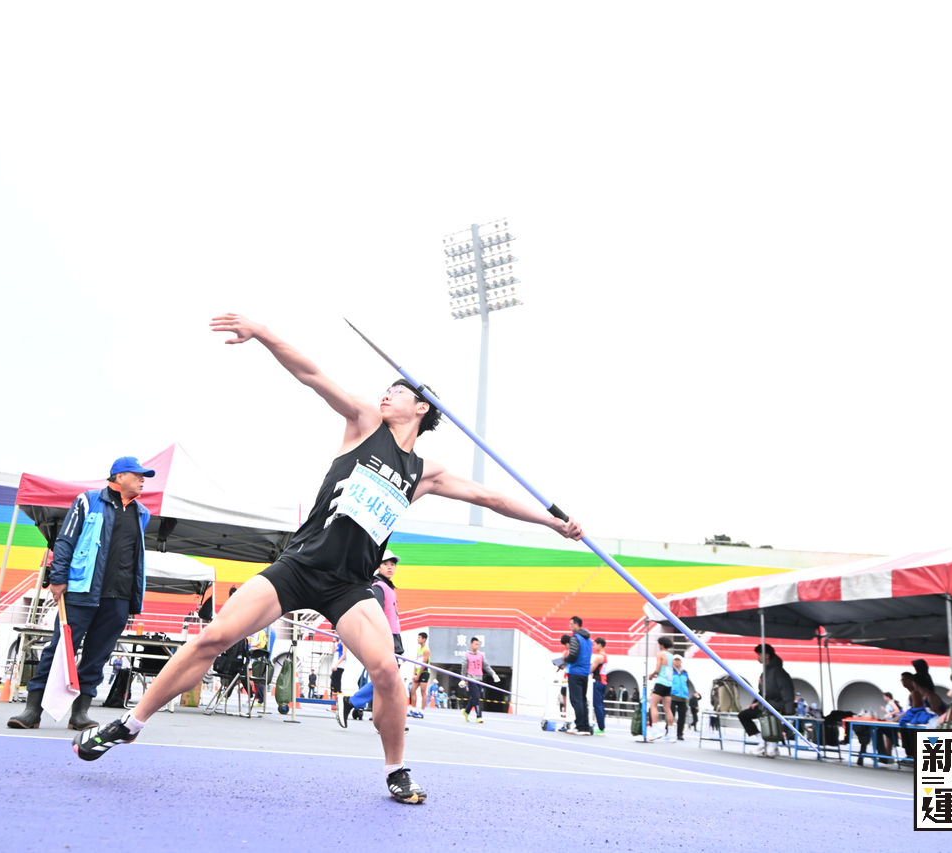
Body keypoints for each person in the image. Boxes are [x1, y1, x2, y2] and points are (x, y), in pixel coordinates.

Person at [72, 316, 581, 805]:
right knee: (212, 637)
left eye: (397, 391)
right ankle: (131, 724)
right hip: (299, 566)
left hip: (350, 586)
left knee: (386, 671)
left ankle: (395, 768)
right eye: (386, 389)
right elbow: (311, 374)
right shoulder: (363, 424)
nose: (386, 394)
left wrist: (552, 522)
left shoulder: (425, 473)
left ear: (421, 407)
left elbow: (490, 498)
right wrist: (263, 332)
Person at [9, 455, 157, 731]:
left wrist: (133, 598)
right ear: (119, 476)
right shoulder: (88, 500)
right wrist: (58, 578)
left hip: (119, 597)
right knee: (60, 649)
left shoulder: (142, 513)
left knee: (98, 655)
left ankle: (80, 714)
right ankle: (32, 710)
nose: (142, 480)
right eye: (137, 475)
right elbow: (66, 540)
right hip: (82, 590)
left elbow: (134, 556)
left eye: (143, 476)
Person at [338, 551, 405, 726]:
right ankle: (353, 702)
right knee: (388, 678)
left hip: (394, 637)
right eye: (386, 564)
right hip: (385, 637)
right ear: (378, 567)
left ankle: (379, 718)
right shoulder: (378, 587)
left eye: (392, 564)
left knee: (387, 680)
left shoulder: (388, 587)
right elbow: (376, 615)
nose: (390, 567)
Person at [737, 644, 795, 758]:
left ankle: (772, 744)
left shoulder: (779, 672)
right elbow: (762, 692)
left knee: (770, 716)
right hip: (766, 704)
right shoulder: (765, 673)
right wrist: (756, 702)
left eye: (759, 655)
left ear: (766, 655)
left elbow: (786, 692)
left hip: (777, 705)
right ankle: (762, 740)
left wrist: (789, 712)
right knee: (743, 715)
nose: (757, 658)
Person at [559, 617, 592, 735]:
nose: (570, 626)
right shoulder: (588, 640)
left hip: (575, 672)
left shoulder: (575, 638)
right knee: (582, 700)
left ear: (577, 624)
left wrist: (564, 659)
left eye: (571, 624)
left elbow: (573, 655)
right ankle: (585, 726)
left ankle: (580, 726)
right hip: (585, 673)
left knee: (576, 700)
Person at [460, 636, 499, 724]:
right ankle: (479, 716)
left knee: (474, 697)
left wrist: (493, 674)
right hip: (471, 679)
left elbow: (486, 666)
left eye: (478, 644)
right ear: (471, 644)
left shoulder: (481, 655)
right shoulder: (466, 655)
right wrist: (463, 679)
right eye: (475, 644)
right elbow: (464, 668)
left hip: (479, 678)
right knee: (477, 697)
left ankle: (466, 711)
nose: (477, 646)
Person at [647, 636, 675, 741]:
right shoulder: (671, 656)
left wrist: (651, 675)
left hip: (661, 682)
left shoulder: (660, 654)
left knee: (653, 705)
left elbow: (658, 670)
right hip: (669, 683)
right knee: (667, 708)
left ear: (661, 645)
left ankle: (655, 730)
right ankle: (671, 733)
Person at [669, 654, 698, 741]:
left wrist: (687, 693)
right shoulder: (670, 671)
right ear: (672, 661)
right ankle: (668, 731)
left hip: (683, 697)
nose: (677, 661)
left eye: (678, 660)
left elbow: (687, 684)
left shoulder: (685, 672)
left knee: (682, 717)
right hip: (672, 696)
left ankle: (680, 734)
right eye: (675, 660)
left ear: (681, 661)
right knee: (671, 715)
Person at [410, 631, 431, 716]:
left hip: (424, 672)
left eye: (419, 638)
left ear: (424, 639)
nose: (418, 639)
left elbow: (424, 663)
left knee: (423, 692)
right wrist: (414, 674)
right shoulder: (419, 649)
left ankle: (422, 711)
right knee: (412, 690)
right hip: (417, 672)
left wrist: (418, 675)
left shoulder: (426, 650)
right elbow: (416, 662)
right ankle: (413, 709)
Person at [590, 636, 608, 735]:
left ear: (600, 645)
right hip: (603, 681)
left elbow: (590, 670)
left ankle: (601, 728)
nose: (594, 646)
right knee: (600, 705)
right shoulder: (605, 656)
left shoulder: (599, 657)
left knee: (597, 705)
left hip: (598, 682)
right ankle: (601, 727)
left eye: (595, 644)